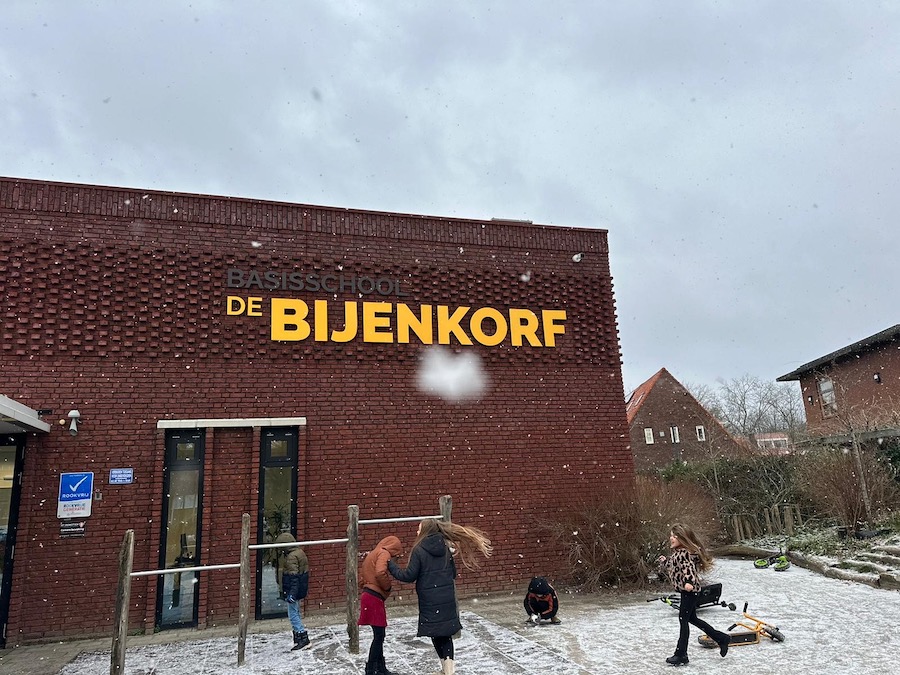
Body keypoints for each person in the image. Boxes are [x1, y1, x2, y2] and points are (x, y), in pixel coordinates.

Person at [388, 519, 492, 675]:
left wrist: (391, 565)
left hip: (430, 600)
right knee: (445, 633)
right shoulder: (444, 547)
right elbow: (453, 573)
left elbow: (409, 576)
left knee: (436, 633)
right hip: (447, 597)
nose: (417, 532)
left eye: (419, 529)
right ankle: (448, 670)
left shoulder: (419, 550)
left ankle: (446, 671)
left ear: (425, 531)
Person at [657, 523, 730, 666]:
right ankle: (721, 638)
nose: (671, 538)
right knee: (692, 619)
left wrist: (689, 582)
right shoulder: (679, 552)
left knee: (683, 621)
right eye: (671, 536)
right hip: (688, 592)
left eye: (675, 536)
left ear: (682, 538)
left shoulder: (684, 553)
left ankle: (681, 654)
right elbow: (674, 564)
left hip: (689, 592)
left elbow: (688, 568)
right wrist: (665, 562)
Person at [359, 535, 403, 675]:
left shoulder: (373, 553)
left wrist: (368, 586)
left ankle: (379, 668)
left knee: (378, 634)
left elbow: (362, 577)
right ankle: (372, 669)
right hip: (374, 597)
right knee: (379, 636)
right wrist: (387, 587)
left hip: (368, 595)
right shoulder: (384, 553)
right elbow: (380, 572)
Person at [275, 532, 311, 651]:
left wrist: (291, 593)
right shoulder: (300, 553)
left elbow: (294, 578)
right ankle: (298, 637)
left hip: (294, 590)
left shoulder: (291, 557)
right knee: (296, 612)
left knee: (293, 614)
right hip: (300, 589)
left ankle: (302, 637)